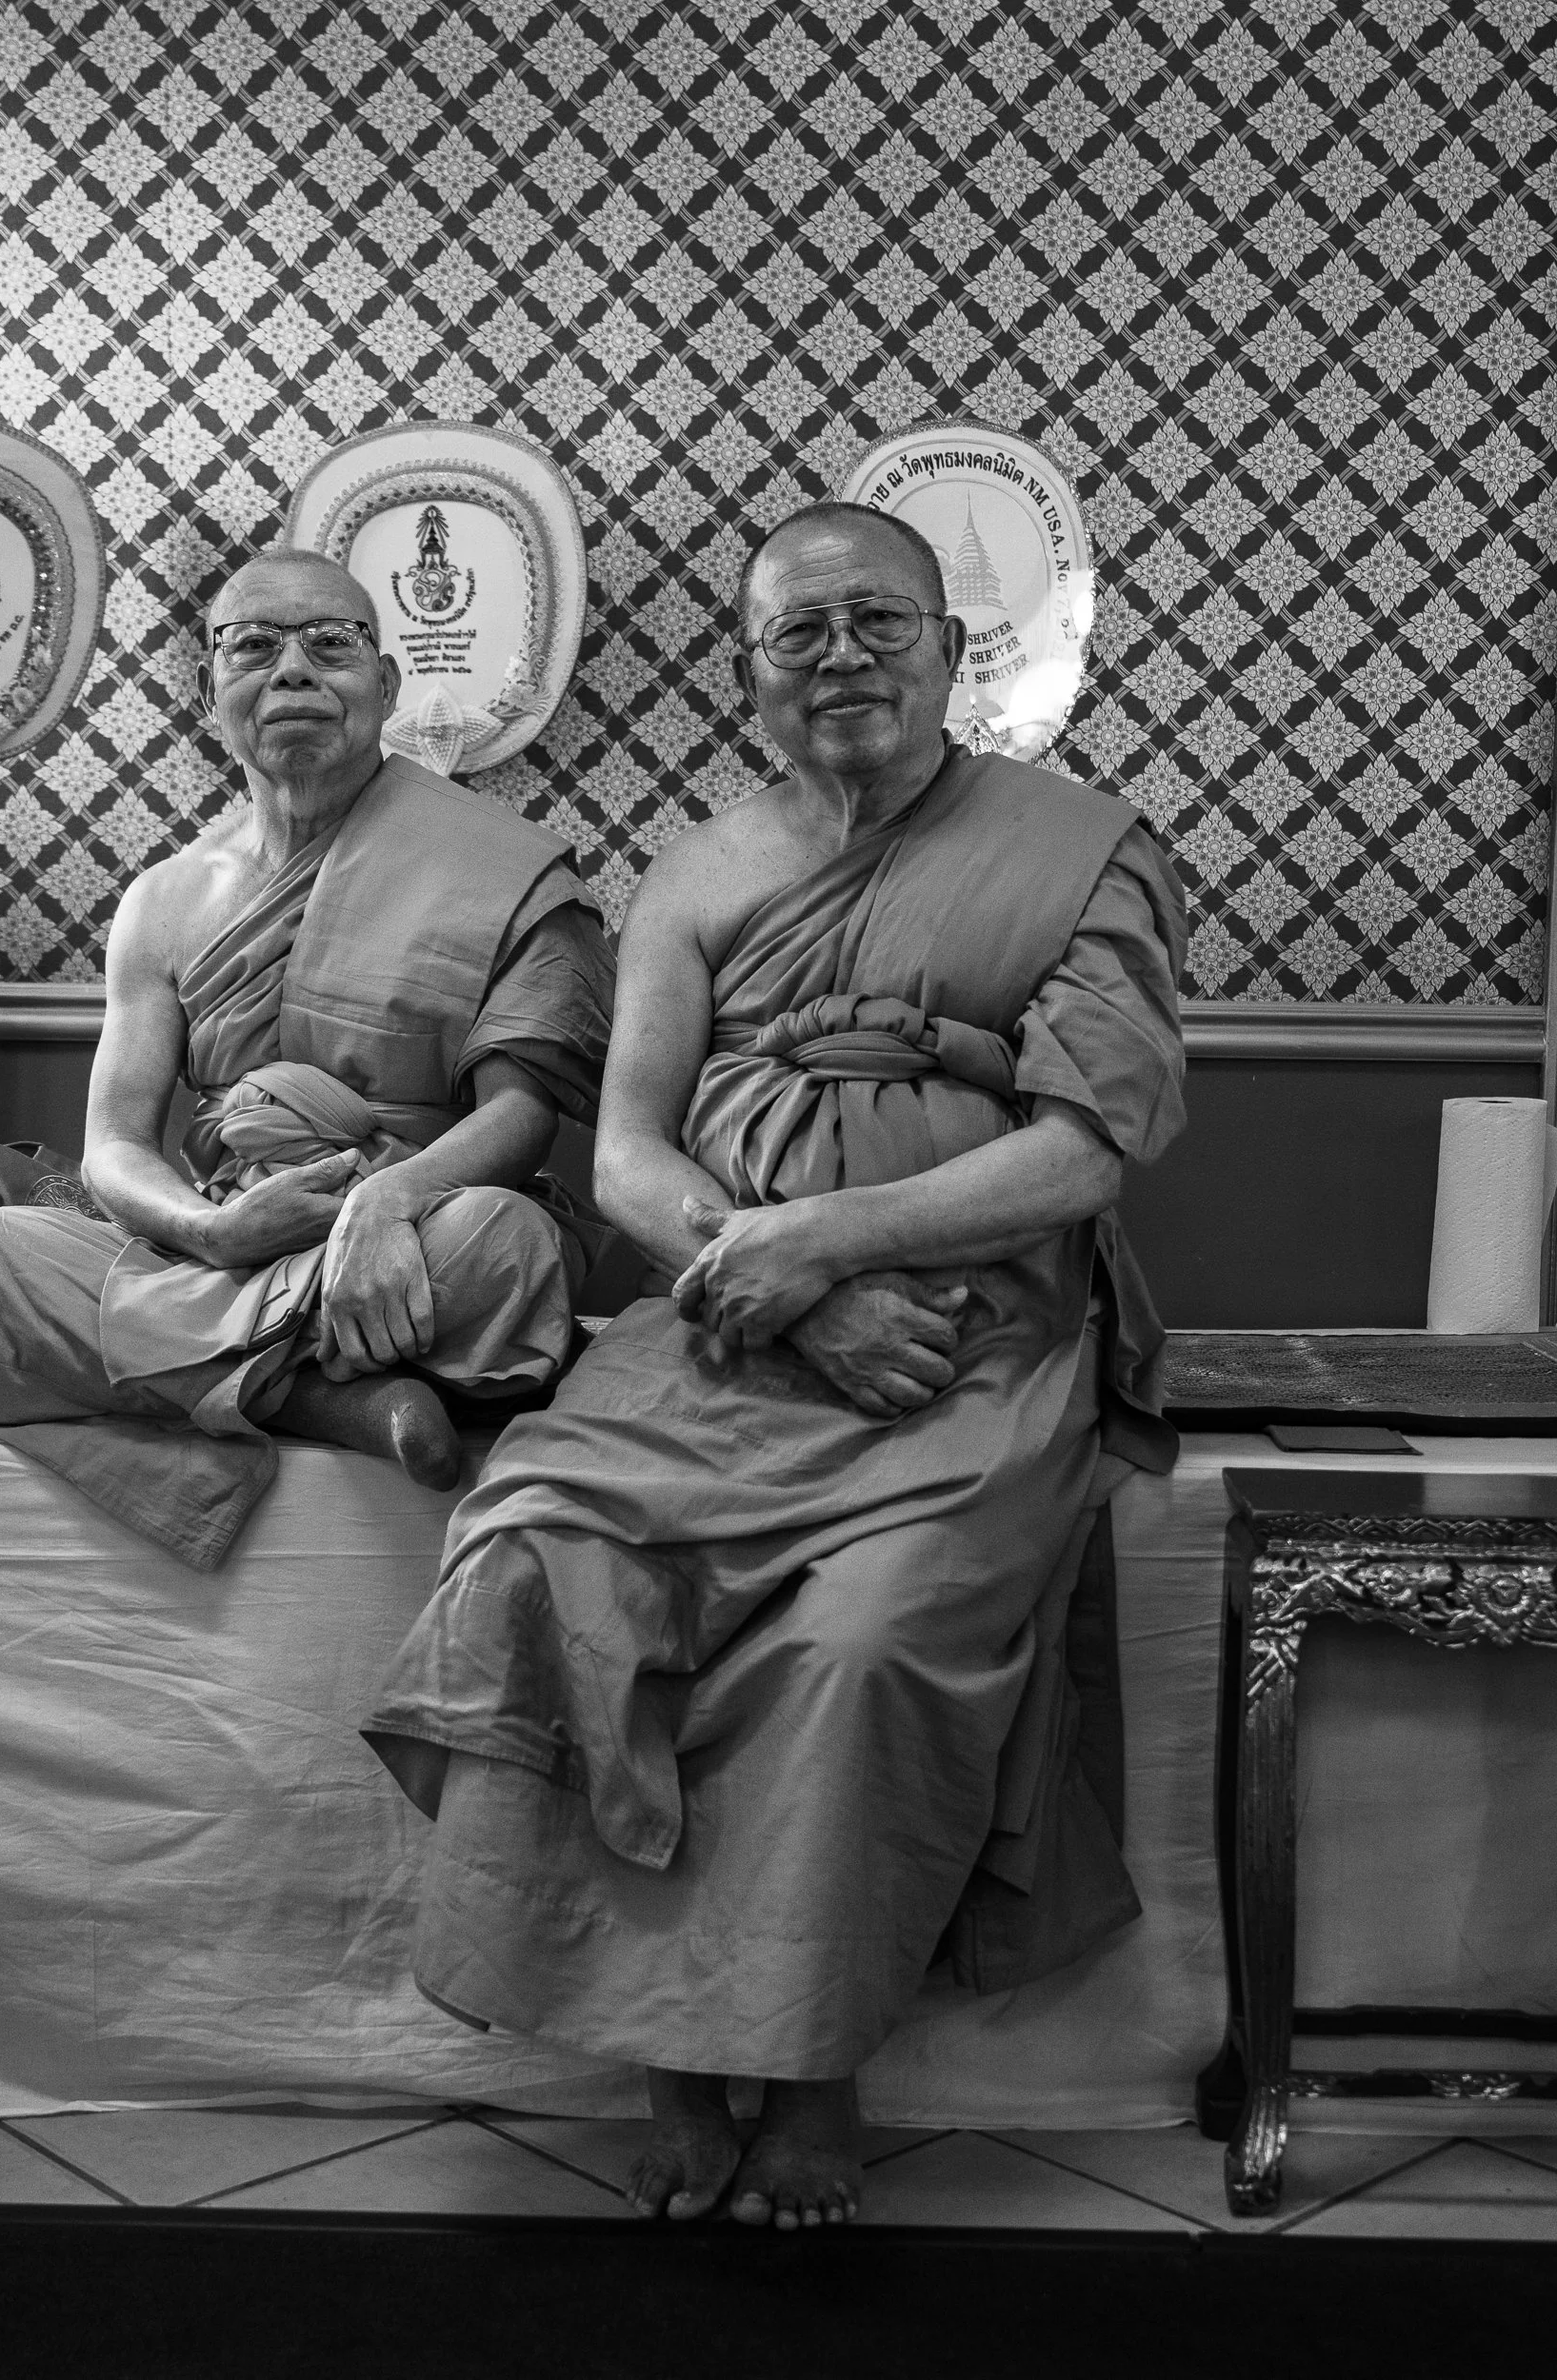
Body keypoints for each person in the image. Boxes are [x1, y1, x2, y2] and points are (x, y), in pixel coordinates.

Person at [363, 502, 1188, 2229]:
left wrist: (849, 1241)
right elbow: (628, 1161)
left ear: (954, 653)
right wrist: (788, 1283)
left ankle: (810, 2072)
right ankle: (664, 2054)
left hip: (973, 1344)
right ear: (749, 671)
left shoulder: (1083, 846)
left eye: (879, 624)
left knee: (861, 1644)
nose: (842, 659)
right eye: (799, 635)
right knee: (535, 1557)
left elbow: (1089, 1149)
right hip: (724, 1331)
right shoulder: (700, 871)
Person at [0, 545, 613, 1566]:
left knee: (509, 1250)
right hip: (222, 1244)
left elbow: (522, 1115)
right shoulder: (166, 899)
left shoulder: (505, 868)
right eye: (253, 645)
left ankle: (219, 1369)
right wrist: (215, 1230)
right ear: (212, 687)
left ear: (387, 682)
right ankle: (321, 1396)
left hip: (415, 1229)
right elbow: (115, 1148)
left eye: (331, 643)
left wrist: (385, 1205)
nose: (294, 669)